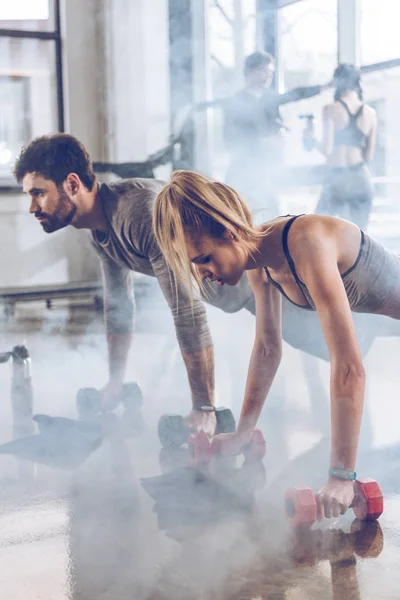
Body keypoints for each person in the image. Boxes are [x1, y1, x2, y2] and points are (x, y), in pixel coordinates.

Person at [152, 169, 400, 519]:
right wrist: (242, 433)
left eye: (204, 258)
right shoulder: (260, 265)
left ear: (231, 231)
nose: (203, 273)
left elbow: (348, 366)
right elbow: (268, 349)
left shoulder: (307, 244)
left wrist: (341, 477)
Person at [13, 134, 220, 436]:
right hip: (233, 298)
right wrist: (115, 381)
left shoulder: (137, 213)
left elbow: (187, 310)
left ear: (72, 185)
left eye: (38, 193)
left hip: (270, 286)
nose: (33, 207)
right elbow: (119, 306)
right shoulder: (98, 231)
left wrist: (204, 407)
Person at [223, 51, 332, 215]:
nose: (268, 76)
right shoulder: (235, 102)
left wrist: (323, 88)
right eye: (263, 71)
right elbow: (228, 140)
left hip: (268, 173)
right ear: (250, 71)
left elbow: (295, 95)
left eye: (271, 72)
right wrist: (261, 142)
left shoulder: (269, 99)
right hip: (244, 173)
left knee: (273, 218)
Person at [310, 64, 377, 230]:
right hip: (361, 177)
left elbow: (327, 149)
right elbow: (368, 156)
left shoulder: (331, 109)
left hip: (337, 177)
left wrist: (311, 140)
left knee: (319, 230)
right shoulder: (370, 113)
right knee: (360, 237)